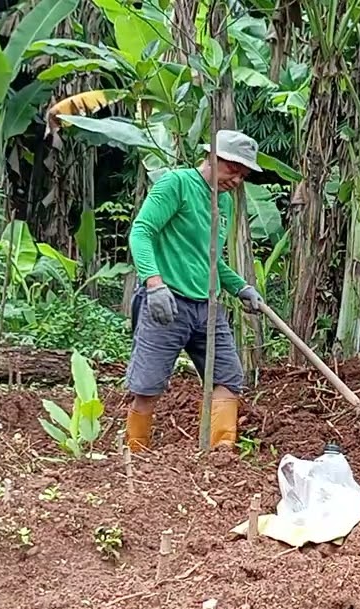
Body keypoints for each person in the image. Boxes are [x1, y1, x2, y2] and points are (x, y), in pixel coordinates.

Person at [123, 129, 264, 452]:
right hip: (167, 303)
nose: (237, 180)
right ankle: (136, 453)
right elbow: (142, 232)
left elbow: (209, 258)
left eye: (243, 174)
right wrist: (154, 284)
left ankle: (222, 453)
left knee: (228, 379)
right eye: (233, 169)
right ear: (213, 157)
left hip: (208, 309)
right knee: (147, 387)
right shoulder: (177, 185)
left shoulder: (223, 201)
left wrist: (240, 287)